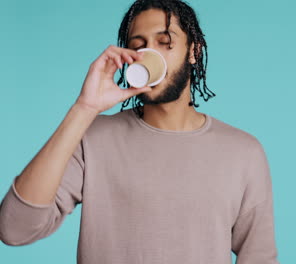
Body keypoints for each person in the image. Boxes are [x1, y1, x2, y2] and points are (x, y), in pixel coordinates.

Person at [0, 0, 280, 263]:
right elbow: (15, 229)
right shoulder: (93, 137)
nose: (151, 54)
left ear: (194, 52)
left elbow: (259, 257)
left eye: (165, 42)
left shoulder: (243, 152)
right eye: (139, 45)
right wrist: (84, 107)